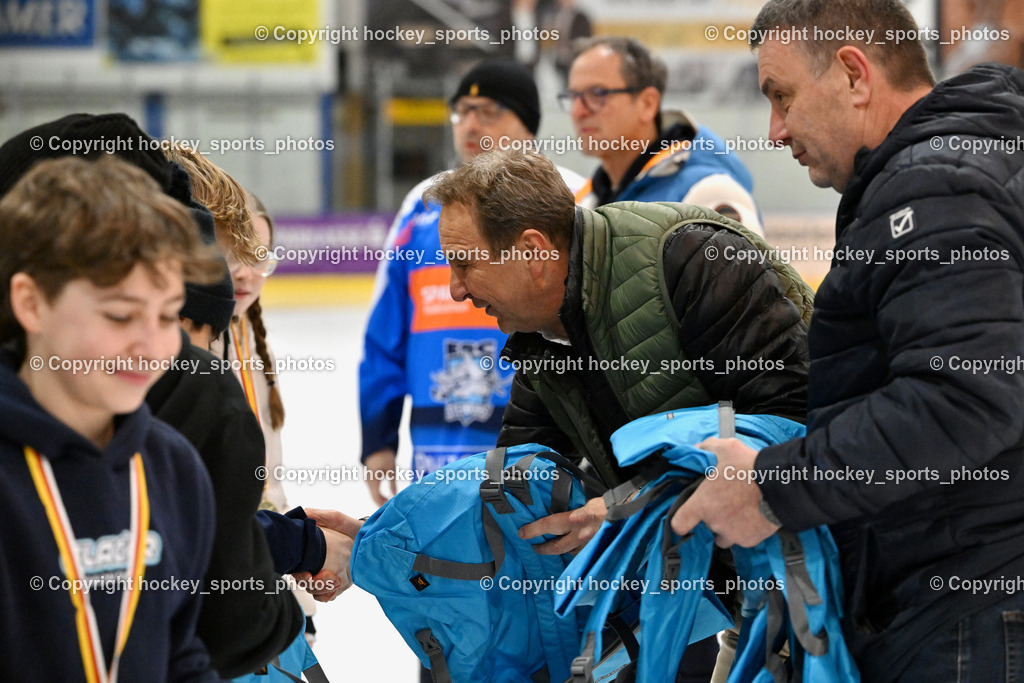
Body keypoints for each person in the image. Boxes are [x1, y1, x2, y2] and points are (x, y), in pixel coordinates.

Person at [670, 1, 1024, 681]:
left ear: (855, 75)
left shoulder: (931, 190)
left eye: (783, 97)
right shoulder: (970, 164)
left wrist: (771, 487)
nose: (775, 130)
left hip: (964, 611)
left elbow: (964, 400)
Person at [427, 149, 811, 680]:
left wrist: (622, 507)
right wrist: (384, 540)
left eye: (464, 262)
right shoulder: (542, 339)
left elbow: (789, 427)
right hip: (752, 603)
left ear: (532, 253)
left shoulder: (690, 259)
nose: (455, 287)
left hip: (838, 587)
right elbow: (515, 491)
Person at [0, 155, 222, 681]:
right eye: (120, 315)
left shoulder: (174, 468)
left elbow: (178, 652)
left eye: (168, 315)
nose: (151, 346)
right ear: (31, 304)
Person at [359, 59, 585, 505]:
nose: (471, 123)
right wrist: (377, 437)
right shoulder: (420, 207)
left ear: (528, 124)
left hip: (547, 454)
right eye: (462, 110)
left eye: (489, 111)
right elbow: (385, 331)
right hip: (437, 452)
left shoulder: (576, 199)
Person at [563, 37, 764, 235]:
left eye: (597, 94)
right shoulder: (586, 201)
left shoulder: (705, 195)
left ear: (648, 104)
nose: (578, 111)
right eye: (574, 96)